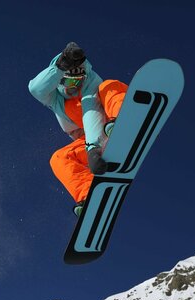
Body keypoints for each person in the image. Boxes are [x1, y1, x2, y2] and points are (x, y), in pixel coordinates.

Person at [28, 42, 128, 216]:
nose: (73, 86)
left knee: (108, 86)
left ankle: (124, 119)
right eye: (67, 80)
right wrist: (61, 65)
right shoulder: (55, 99)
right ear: (59, 80)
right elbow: (36, 89)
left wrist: (94, 148)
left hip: (105, 127)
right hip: (93, 145)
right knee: (59, 158)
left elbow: (91, 112)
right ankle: (90, 195)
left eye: (77, 80)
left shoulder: (91, 84)